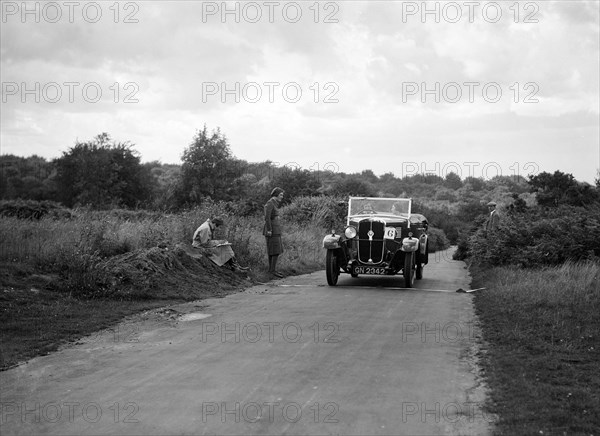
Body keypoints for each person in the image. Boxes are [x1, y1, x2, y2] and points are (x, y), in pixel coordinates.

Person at [263, 187, 284, 278]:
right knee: (274, 251)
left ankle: (272, 270)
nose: (282, 197)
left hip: (276, 230)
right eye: (281, 195)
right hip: (272, 230)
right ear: (276, 194)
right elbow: (267, 217)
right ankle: (272, 271)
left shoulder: (275, 203)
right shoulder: (270, 203)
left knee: (276, 250)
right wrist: (269, 230)